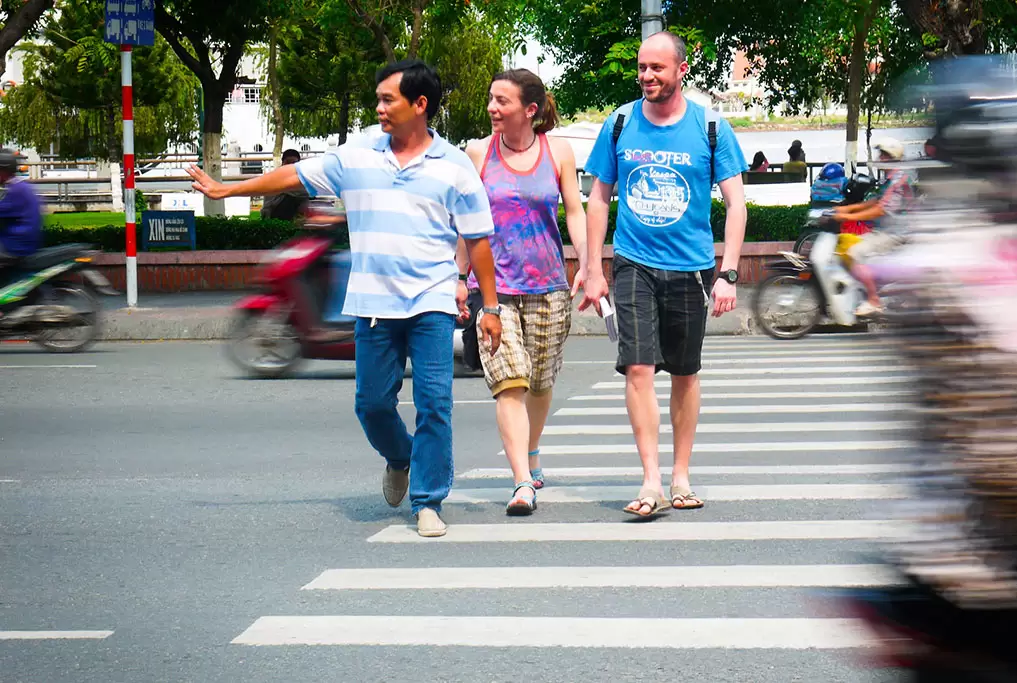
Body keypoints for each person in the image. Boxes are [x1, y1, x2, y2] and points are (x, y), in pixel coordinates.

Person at [186, 60, 503, 538]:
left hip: (432, 300)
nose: (378, 108)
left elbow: (478, 240)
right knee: (372, 404)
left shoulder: (455, 166)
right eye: (377, 99)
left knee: (435, 403)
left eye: (387, 100)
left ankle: (428, 500)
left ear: (420, 105)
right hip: (374, 303)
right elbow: (294, 177)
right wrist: (231, 188)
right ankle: (401, 457)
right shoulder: (358, 156)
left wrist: (492, 307)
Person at [579, 31, 749, 517]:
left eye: (657, 68)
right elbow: (597, 197)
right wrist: (594, 268)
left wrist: (729, 273)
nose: (647, 76)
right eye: (642, 67)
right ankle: (650, 479)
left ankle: (680, 475)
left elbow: (736, 204)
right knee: (637, 367)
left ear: (681, 70)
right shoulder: (620, 123)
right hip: (634, 263)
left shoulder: (710, 127)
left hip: (692, 268)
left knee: (685, 372)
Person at [456, 68, 588, 515]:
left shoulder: (559, 152)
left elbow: (574, 210)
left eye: (502, 101)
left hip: (548, 285)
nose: (493, 108)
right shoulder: (478, 153)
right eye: (491, 99)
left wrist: (588, 264)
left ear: (529, 110)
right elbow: (466, 223)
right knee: (508, 381)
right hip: (492, 290)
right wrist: (458, 278)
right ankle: (520, 482)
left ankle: (532, 451)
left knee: (540, 382)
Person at [830, 137, 914, 316]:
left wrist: (846, 216)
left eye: (883, 154)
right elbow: (876, 201)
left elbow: (880, 210)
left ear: (892, 157)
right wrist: (848, 208)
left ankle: (873, 300)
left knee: (855, 253)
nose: (880, 157)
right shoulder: (890, 177)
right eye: (880, 154)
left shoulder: (898, 178)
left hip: (895, 233)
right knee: (846, 246)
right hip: (884, 231)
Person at [0, 148, 42, 284]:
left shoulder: (16, 190)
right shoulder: (20, 186)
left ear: (3, 171)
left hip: (17, 244)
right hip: (23, 240)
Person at [258, 149, 306, 221]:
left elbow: (306, 194)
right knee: (289, 199)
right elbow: (268, 203)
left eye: (294, 163)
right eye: (288, 162)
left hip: (300, 211)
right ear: (283, 163)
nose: (290, 165)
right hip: (276, 211)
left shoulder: (303, 177)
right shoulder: (275, 177)